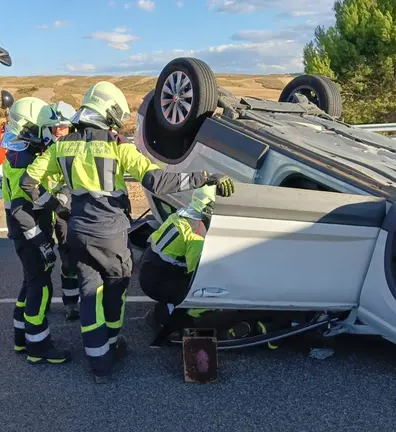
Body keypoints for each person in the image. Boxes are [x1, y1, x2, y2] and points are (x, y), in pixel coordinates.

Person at [18, 81, 236, 382]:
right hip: (110, 234)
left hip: (78, 232)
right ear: (108, 113)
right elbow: (158, 182)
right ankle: (113, 345)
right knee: (115, 290)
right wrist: (206, 177)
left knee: (88, 293)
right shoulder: (117, 147)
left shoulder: (61, 146)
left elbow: (28, 184)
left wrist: (57, 205)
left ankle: (99, 364)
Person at [139, 185, 275, 347]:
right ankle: (168, 318)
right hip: (158, 281)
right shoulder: (197, 233)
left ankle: (168, 306)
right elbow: (198, 274)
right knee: (204, 297)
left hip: (151, 268)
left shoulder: (184, 214)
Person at [2, 96, 70, 364]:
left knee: (29, 282)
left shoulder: (20, 152)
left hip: (24, 232)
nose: (51, 134)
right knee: (40, 287)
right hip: (29, 232)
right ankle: (38, 346)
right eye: (46, 129)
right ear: (31, 128)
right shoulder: (22, 160)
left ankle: (21, 339)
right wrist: (42, 243)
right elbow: (21, 209)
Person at [34, 101, 81, 321]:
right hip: (43, 211)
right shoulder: (35, 152)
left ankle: (71, 304)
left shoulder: (75, 149)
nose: (61, 132)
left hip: (65, 212)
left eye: (65, 128)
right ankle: (44, 301)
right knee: (42, 262)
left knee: (70, 259)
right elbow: (29, 181)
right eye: (56, 128)